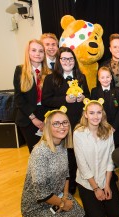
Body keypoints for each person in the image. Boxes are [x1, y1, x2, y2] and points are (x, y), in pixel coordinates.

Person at [21, 106, 89, 217]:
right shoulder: (39, 152)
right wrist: (62, 204)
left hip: (58, 195)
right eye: (56, 123)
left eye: (65, 122)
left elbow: (66, 175)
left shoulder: (62, 145)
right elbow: (42, 193)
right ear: (47, 127)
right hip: (38, 205)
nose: (62, 127)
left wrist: (65, 196)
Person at [42, 46, 90, 195]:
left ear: (74, 60)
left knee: (78, 153)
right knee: (64, 155)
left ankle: (79, 179)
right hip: (61, 125)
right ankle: (67, 183)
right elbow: (46, 100)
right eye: (64, 58)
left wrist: (84, 98)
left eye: (70, 58)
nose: (68, 61)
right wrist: (65, 100)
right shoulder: (51, 78)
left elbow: (88, 98)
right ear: (59, 60)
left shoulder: (81, 77)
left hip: (78, 122)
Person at [73, 98, 119, 217]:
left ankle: (102, 201)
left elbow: (110, 160)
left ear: (103, 114)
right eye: (92, 113)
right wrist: (96, 188)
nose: (96, 116)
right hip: (87, 182)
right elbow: (82, 165)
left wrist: (107, 185)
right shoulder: (78, 134)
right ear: (86, 114)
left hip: (105, 177)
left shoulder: (109, 131)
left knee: (116, 215)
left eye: (99, 112)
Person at [13, 39, 51, 153]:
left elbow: (51, 97)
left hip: (46, 116)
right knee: (35, 153)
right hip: (28, 117)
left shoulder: (50, 73)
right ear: (28, 52)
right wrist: (33, 118)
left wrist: (47, 118)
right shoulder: (20, 70)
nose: (37, 54)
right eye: (34, 50)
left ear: (44, 54)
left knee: (49, 151)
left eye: (41, 51)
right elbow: (19, 98)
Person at [91, 66, 119, 147]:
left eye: (107, 77)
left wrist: (114, 127)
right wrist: (102, 125)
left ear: (111, 77)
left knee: (116, 148)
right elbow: (92, 110)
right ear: (99, 79)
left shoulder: (117, 91)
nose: (105, 79)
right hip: (100, 126)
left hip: (115, 127)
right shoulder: (94, 91)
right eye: (102, 77)